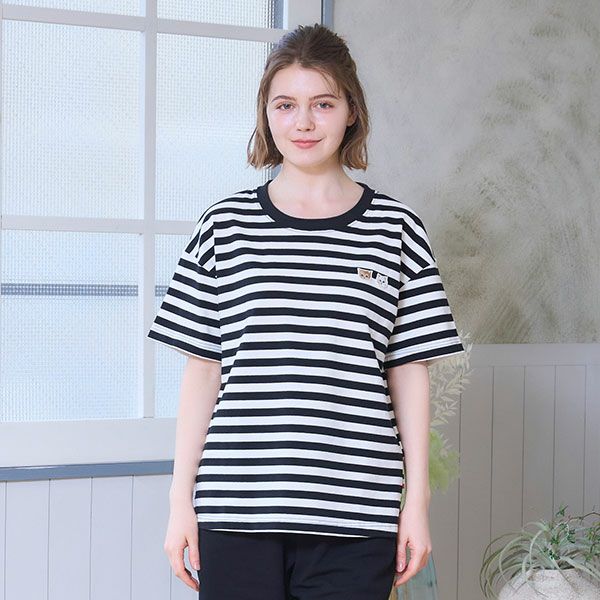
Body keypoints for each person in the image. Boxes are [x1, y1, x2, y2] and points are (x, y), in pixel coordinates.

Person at [147, 22, 465, 600]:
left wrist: (415, 504)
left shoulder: (397, 229)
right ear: (266, 114)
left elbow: (408, 370)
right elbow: (203, 371)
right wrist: (179, 503)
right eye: (286, 104)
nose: (304, 122)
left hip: (358, 516)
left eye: (323, 103)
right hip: (235, 512)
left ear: (351, 111)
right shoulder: (224, 227)